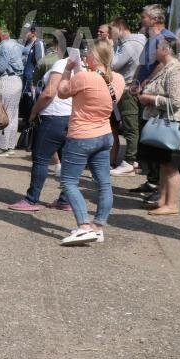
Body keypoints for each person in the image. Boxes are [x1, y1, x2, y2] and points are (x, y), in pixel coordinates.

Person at [56, 39, 125, 246]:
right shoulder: (119, 79)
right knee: (104, 183)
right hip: (105, 135)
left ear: (95, 57)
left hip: (82, 135)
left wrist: (68, 69)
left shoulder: (84, 77)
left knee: (68, 182)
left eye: (88, 53)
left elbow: (61, 92)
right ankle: (98, 227)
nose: (85, 56)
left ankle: (84, 226)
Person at [9, 30, 74, 212]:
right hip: (71, 117)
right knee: (67, 160)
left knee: (40, 158)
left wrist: (33, 112)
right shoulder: (81, 64)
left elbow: (49, 92)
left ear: (58, 44)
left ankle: (31, 199)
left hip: (53, 116)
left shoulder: (61, 64)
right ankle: (65, 199)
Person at [136, 36, 180, 216]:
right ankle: (162, 199)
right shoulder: (165, 68)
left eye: (157, 48)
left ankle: (171, 204)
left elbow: (176, 101)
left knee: (170, 165)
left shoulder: (176, 70)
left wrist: (149, 99)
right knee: (163, 164)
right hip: (161, 122)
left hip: (171, 124)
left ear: (166, 50)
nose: (154, 51)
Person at [133, 4, 176, 196]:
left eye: (144, 16)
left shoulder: (166, 37)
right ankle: (151, 181)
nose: (142, 19)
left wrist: (146, 82)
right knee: (145, 138)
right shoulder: (151, 39)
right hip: (143, 91)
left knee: (154, 139)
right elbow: (142, 63)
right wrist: (135, 82)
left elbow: (163, 63)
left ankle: (159, 185)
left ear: (155, 19)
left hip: (155, 94)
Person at [109, 16, 146, 176]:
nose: (110, 33)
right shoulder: (135, 42)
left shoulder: (129, 44)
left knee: (131, 126)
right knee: (134, 125)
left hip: (128, 89)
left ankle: (130, 161)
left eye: (111, 29)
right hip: (132, 87)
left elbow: (113, 64)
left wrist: (110, 47)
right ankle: (135, 160)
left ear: (119, 27)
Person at [0, 25, 24, 156]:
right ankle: (9, 146)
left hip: (7, 82)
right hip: (17, 81)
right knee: (12, 116)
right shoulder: (13, 43)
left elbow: (0, 69)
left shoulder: (2, 47)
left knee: (2, 115)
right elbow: (23, 53)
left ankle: (1, 147)